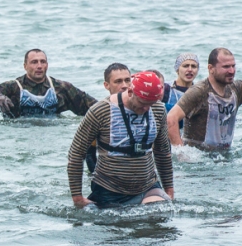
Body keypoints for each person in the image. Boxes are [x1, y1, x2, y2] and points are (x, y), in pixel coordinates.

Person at [67, 71, 174, 209]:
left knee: (158, 216)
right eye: (142, 103)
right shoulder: (100, 111)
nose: (147, 108)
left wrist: (169, 190)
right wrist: (77, 197)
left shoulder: (158, 109)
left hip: (148, 186)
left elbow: (163, 152)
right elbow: (76, 153)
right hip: (109, 190)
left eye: (151, 104)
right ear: (130, 92)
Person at [0, 49, 96, 118]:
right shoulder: (13, 86)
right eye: (34, 62)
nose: (39, 66)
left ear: (47, 65)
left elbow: (94, 108)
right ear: (25, 66)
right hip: (17, 131)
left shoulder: (62, 88)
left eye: (43, 62)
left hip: (53, 131)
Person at [166, 48, 241, 151]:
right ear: (211, 68)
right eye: (226, 67)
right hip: (198, 159)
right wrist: (181, 153)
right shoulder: (199, 92)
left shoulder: (236, 90)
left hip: (224, 156)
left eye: (233, 66)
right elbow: (171, 119)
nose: (231, 71)